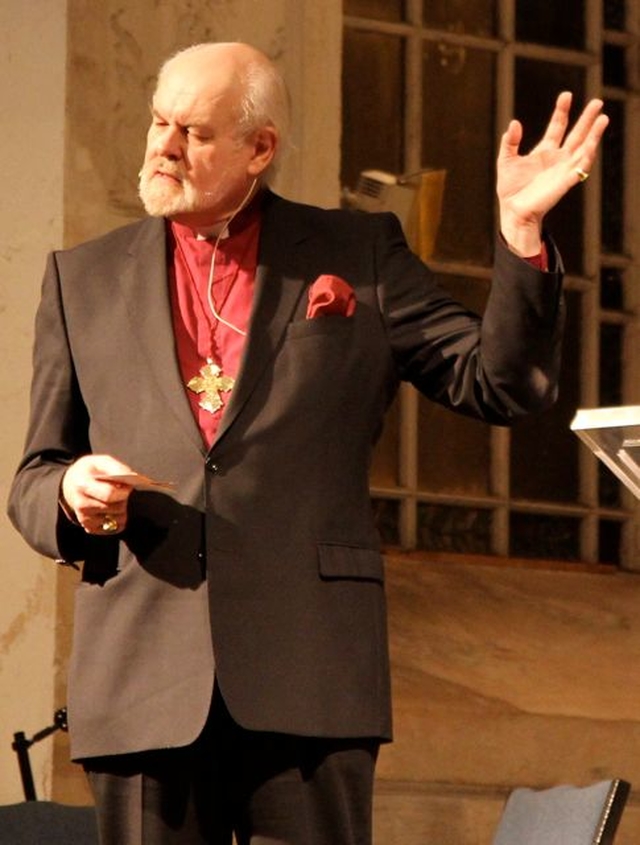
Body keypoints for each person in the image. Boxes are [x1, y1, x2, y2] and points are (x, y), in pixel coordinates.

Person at [7, 41, 608, 845]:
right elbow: (33, 475)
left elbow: (498, 384)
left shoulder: (356, 256)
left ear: (261, 148)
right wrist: (71, 491)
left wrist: (521, 232)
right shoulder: (80, 278)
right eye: (158, 122)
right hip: (142, 674)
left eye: (194, 131)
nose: (164, 146)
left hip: (309, 671)